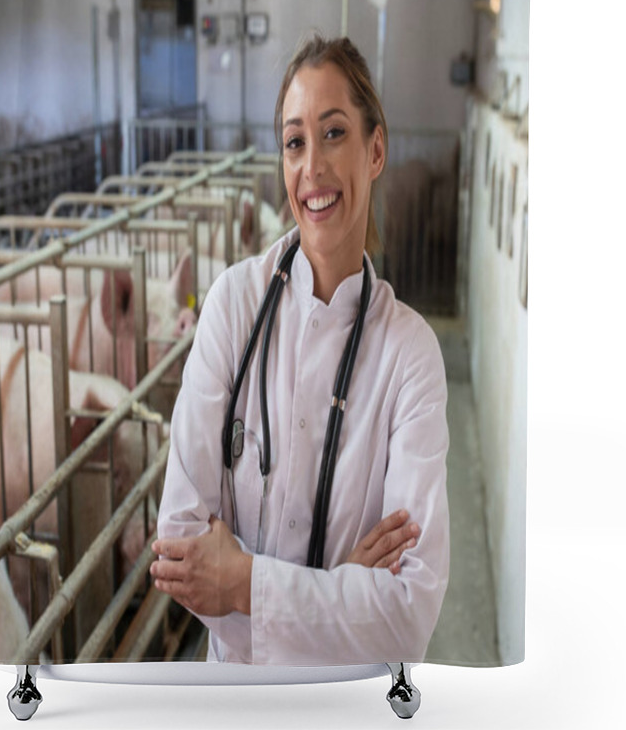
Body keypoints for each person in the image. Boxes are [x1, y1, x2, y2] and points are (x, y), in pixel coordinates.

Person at [150, 35, 450, 666]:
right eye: (294, 141)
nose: (311, 166)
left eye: (334, 133)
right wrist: (339, 587)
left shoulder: (410, 356)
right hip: (233, 697)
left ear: (375, 149)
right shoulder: (233, 304)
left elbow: (409, 615)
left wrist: (241, 581)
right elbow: (179, 549)